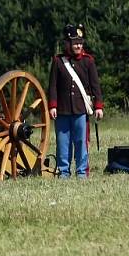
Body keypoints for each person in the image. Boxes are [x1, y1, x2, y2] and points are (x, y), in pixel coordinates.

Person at [48, 24, 104, 178]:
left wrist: (98, 106)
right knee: (63, 144)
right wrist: (52, 105)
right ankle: (64, 172)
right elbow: (52, 86)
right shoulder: (58, 61)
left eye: (80, 42)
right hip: (62, 109)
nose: (78, 45)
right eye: (75, 42)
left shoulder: (88, 61)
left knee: (81, 142)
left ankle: (81, 172)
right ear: (67, 43)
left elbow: (95, 85)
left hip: (80, 109)